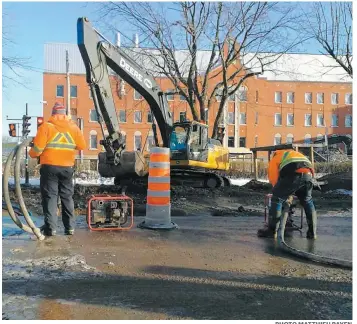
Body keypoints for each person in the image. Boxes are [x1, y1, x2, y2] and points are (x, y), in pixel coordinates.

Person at [29, 103, 86, 236]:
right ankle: (70, 228)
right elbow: (82, 145)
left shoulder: (46, 127)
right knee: (67, 197)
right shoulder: (74, 128)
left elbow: (36, 151)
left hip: (49, 168)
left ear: (53, 114)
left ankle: (51, 229)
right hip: (67, 168)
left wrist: (32, 152)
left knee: (50, 197)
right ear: (64, 114)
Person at [257, 149, 317, 239]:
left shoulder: (276, 158)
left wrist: (280, 193)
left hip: (293, 173)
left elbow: (274, 179)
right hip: (308, 174)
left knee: (276, 199)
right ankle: (312, 233)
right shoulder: (294, 154)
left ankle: (272, 231)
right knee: (307, 200)